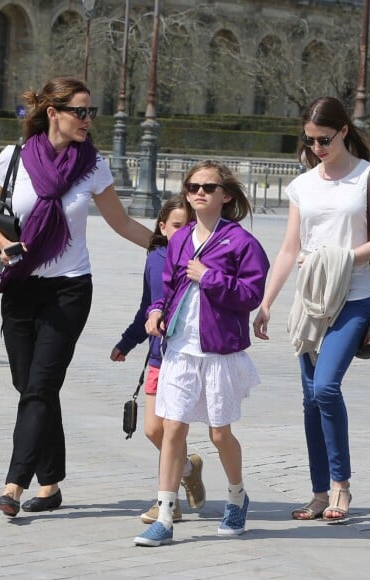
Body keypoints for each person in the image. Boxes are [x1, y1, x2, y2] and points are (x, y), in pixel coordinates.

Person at [0, 76, 153, 517]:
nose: (89, 120)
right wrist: (4, 245)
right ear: (53, 113)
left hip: (69, 289)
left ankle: (14, 483)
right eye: (81, 111)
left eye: (92, 112)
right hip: (19, 284)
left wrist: (170, 245)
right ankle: (51, 485)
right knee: (29, 386)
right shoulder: (14, 157)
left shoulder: (93, 166)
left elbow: (121, 223)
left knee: (40, 386)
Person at [253, 96, 370, 522]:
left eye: (324, 139)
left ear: (344, 132)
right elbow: (288, 249)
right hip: (311, 302)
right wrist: (266, 302)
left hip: (352, 298)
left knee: (325, 389)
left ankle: (341, 486)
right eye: (311, 140)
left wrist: (331, 260)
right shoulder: (303, 185)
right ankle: (319, 493)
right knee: (309, 400)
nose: (317, 147)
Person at [133, 160, 270, 546]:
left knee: (219, 433)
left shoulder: (242, 242)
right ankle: (164, 515)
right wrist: (155, 311)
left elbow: (250, 294)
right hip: (178, 348)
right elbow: (165, 286)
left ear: (225, 196)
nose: (198, 193)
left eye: (208, 187)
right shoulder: (179, 238)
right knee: (173, 427)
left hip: (219, 350)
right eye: (193, 186)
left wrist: (210, 277)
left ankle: (237, 495)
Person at [110, 195, 206, 524]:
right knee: (153, 430)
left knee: (171, 430)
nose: (183, 232)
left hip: (185, 356)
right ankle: (190, 467)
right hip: (157, 356)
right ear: (162, 227)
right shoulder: (154, 257)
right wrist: (127, 341)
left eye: (189, 226)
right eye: (177, 226)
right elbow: (146, 305)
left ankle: (169, 503)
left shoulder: (199, 261)